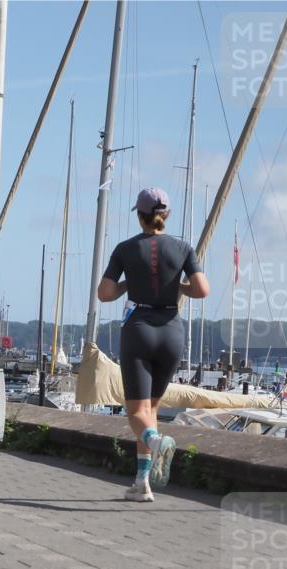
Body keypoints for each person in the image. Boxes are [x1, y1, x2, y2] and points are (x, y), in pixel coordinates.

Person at [98, 187, 209, 502]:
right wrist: (179, 285)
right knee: (152, 410)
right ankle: (142, 483)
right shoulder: (183, 247)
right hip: (172, 330)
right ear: (167, 215)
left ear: (139, 215)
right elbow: (202, 289)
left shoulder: (125, 249)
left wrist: (127, 284)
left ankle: (155, 442)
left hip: (140, 329)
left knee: (137, 412)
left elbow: (104, 293)